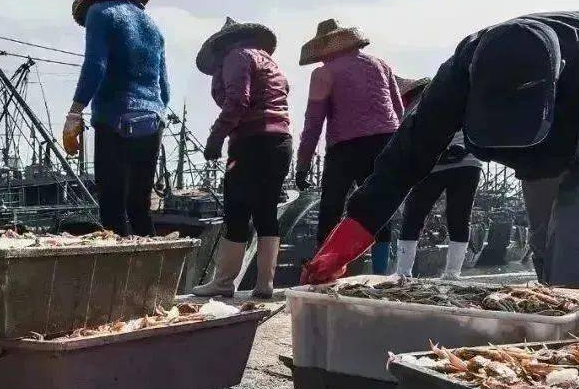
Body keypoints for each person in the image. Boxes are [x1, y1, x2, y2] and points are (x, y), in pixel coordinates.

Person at [302, 12, 579, 337]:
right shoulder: (457, 77)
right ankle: (549, 312)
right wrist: (343, 243)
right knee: (541, 234)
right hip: (545, 139)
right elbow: (402, 160)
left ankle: (577, 334)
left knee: (572, 225)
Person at [64, 0, 169, 236]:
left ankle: (118, 276)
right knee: (139, 205)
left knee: (112, 206)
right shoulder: (153, 27)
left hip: (115, 117)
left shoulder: (100, 13)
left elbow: (95, 66)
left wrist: (75, 111)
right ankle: (152, 272)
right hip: (153, 120)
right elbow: (165, 89)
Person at [192, 17, 292, 300]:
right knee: (266, 210)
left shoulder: (237, 56)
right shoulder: (271, 64)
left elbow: (237, 101)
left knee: (237, 210)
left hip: (251, 142)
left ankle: (223, 282)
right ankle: (265, 284)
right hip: (280, 142)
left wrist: (215, 138)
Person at [295, 20, 405, 270]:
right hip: (386, 141)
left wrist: (303, 164)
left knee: (331, 207)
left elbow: (313, 122)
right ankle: (380, 273)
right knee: (378, 206)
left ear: (324, 51)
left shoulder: (323, 73)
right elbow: (399, 110)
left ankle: (324, 269)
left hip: (345, 146)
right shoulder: (381, 65)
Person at [391, 78, 483, 278]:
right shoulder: (455, 95)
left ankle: (403, 273)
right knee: (459, 216)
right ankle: (452, 275)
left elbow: (410, 145)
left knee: (413, 215)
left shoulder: (411, 109)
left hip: (434, 165)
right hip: (468, 161)